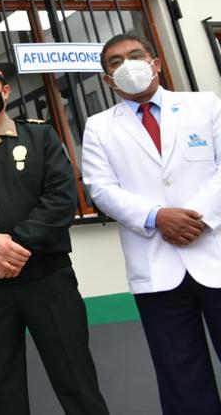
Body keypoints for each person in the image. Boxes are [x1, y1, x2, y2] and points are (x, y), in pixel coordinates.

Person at [0, 57, 109, 415]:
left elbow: (61, 198)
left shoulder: (40, 136)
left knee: (76, 381)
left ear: (4, 91)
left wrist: (17, 245)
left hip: (48, 279)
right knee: (1, 388)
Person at [82, 33, 221, 415]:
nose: (127, 65)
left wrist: (197, 219)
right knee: (181, 376)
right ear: (108, 80)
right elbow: (101, 188)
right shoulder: (98, 128)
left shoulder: (203, 105)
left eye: (135, 55)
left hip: (215, 255)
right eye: (115, 63)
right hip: (156, 267)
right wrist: (157, 217)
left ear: (156, 63)